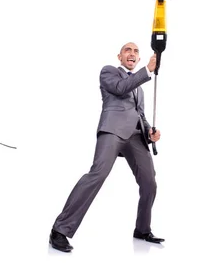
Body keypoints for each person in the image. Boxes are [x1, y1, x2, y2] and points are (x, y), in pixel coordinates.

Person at [49, 42, 163, 252]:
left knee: (150, 182)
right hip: (113, 130)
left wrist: (149, 132)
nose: (132, 53)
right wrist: (147, 70)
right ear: (120, 56)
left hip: (136, 137)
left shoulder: (139, 88)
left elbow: (141, 114)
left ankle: (142, 229)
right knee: (98, 174)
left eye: (136, 51)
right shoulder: (109, 72)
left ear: (137, 58)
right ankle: (60, 229)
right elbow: (120, 89)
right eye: (128, 50)